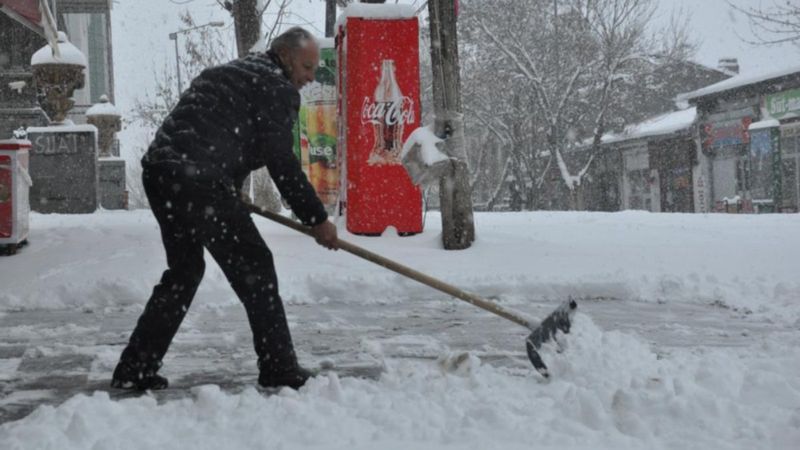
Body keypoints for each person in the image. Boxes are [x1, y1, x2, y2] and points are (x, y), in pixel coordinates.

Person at [111, 27, 338, 391]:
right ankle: (278, 366)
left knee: (184, 272)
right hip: (198, 180)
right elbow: (281, 161)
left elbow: (214, 134)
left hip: (162, 173)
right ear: (284, 55)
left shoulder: (227, 74)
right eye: (307, 67)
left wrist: (230, 189)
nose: (310, 78)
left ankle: (135, 367)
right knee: (256, 268)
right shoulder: (276, 88)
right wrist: (317, 220)